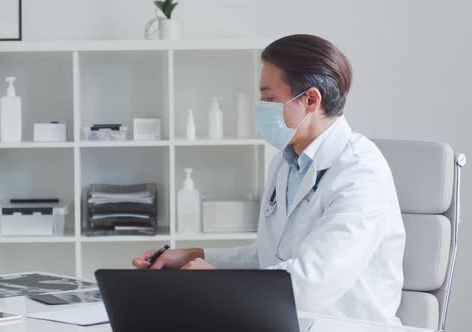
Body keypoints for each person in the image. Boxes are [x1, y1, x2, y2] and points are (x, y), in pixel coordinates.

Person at [132, 34, 406, 325]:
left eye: (270, 98)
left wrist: (214, 282)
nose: (261, 107)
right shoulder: (286, 162)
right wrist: (194, 255)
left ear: (311, 99)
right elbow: (271, 260)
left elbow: (311, 284)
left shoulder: (360, 173)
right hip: (282, 321)